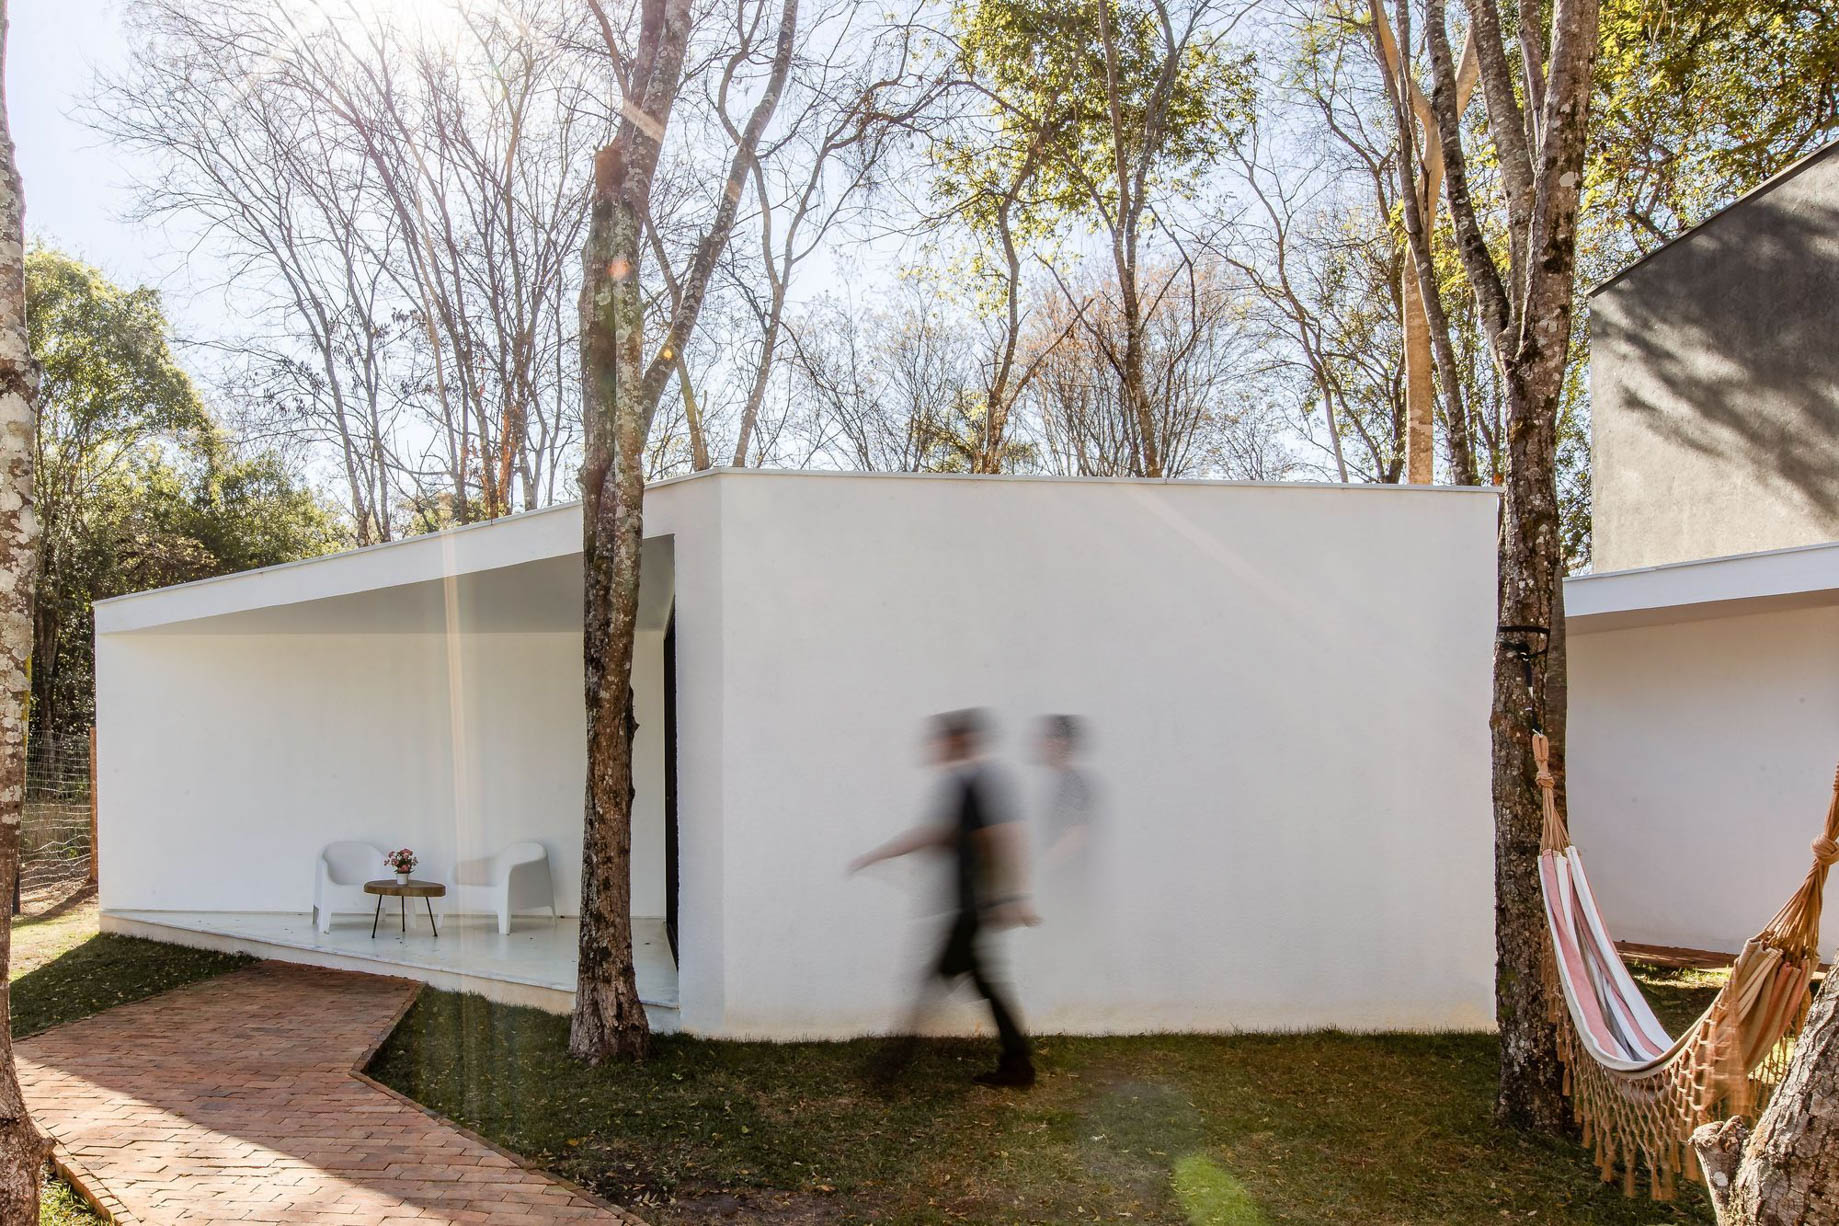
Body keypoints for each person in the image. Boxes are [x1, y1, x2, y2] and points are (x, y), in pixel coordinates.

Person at [850, 709, 1037, 1088]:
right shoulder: (964, 784)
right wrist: (882, 855)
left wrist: (1011, 897)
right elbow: (941, 835)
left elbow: (1003, 837)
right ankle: (1018, 1065)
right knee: (983, 984)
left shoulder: (977, 783)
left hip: (972, 908)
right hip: (970, 906)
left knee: (933, 982)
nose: (936, 749)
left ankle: (891, 1067)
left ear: (958, 742)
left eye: (942, 742)